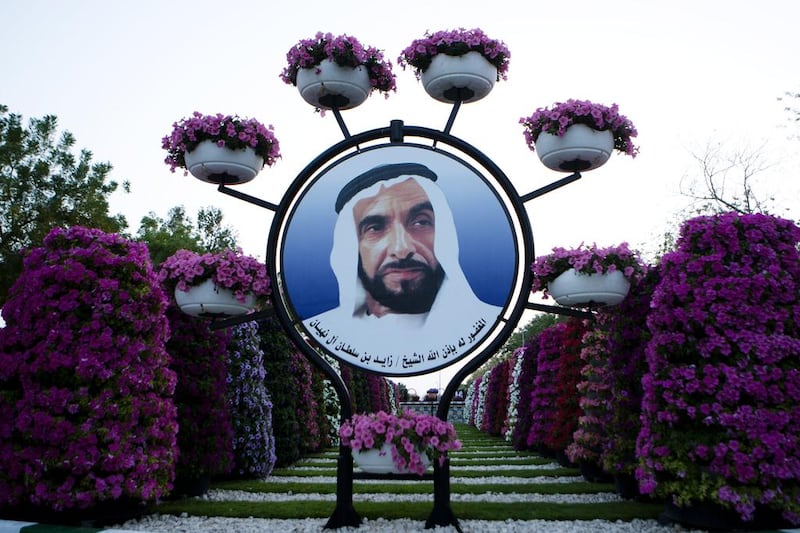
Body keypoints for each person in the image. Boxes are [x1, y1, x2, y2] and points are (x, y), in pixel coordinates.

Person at [303, 162, 502, 372]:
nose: (402, 248)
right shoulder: (326, 330)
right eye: (375, 228)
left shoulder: (483, 321)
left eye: (421, 222)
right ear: (351, 247)